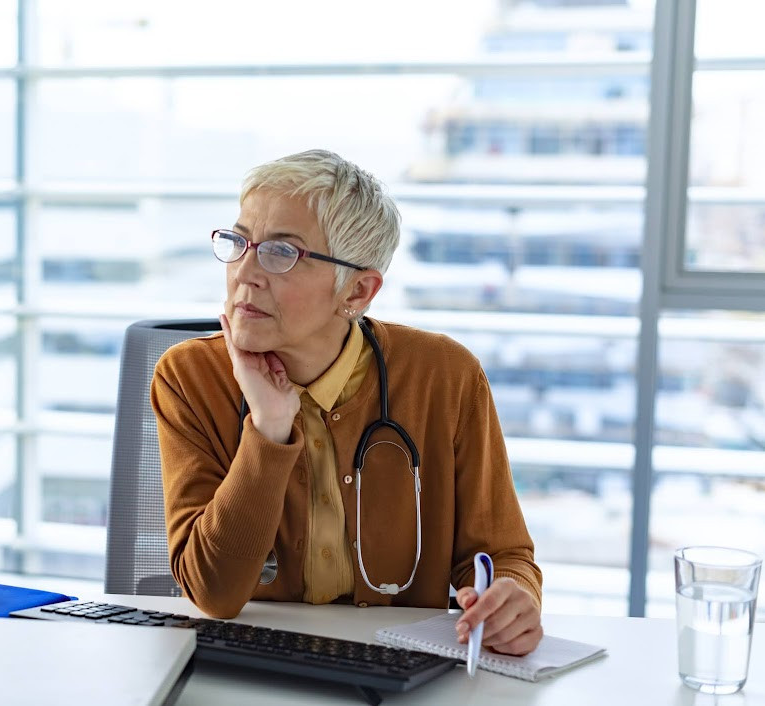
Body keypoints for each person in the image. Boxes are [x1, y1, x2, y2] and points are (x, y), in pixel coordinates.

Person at [150, 149, 544, 656]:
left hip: (396, 669)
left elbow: (502, 555)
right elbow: (213, 593)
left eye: (280, 253)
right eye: (239, 242)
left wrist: (513, 599)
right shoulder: (190, 377)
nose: (245, 273)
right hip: (251, 667)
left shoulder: (444, 376)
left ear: (357, 291)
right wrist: (269, 427)